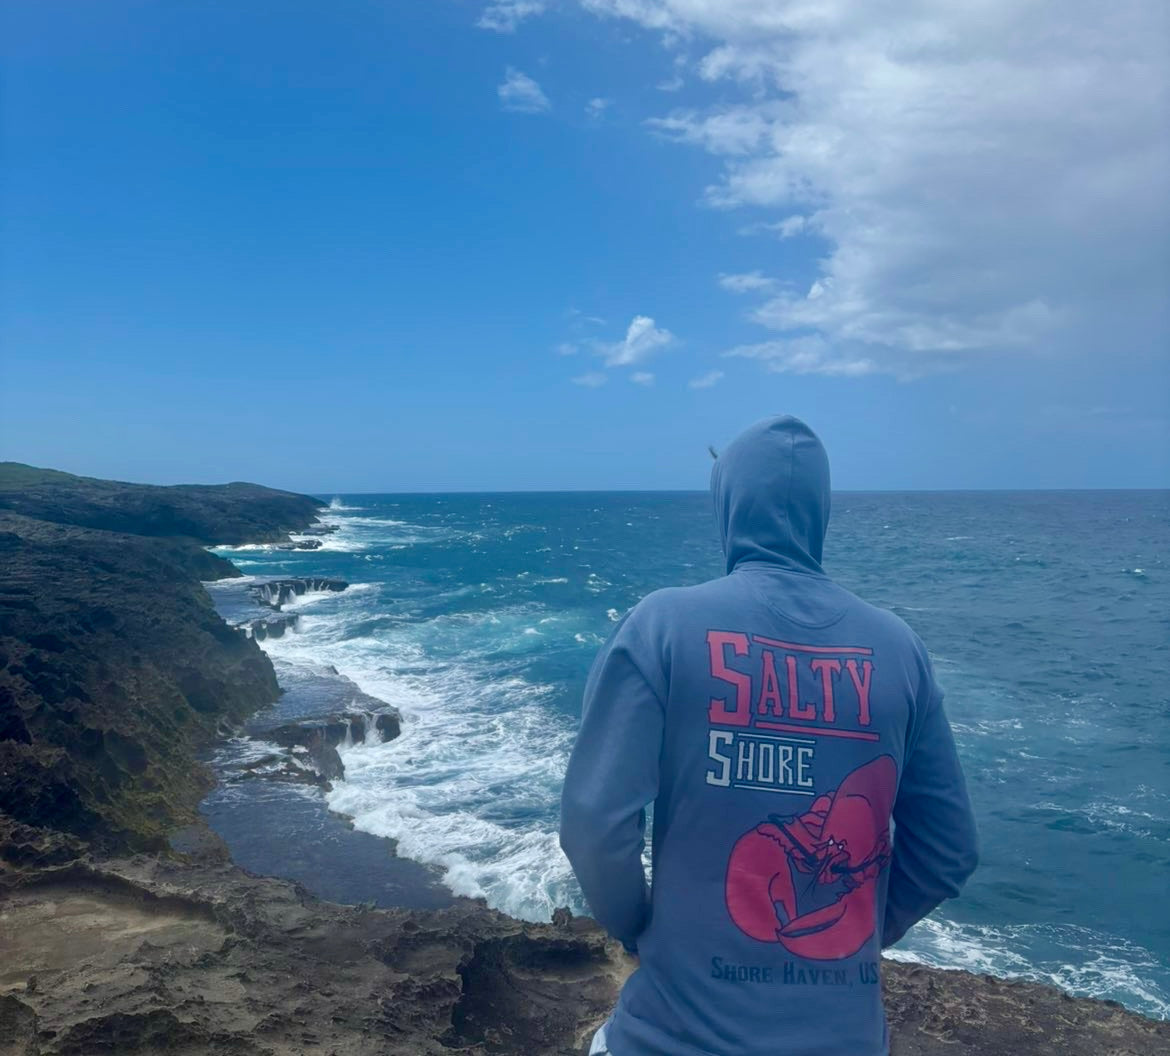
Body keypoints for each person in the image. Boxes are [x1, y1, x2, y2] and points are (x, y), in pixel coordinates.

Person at [560, 415, 979, 1056]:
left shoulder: (663, 626)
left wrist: (637, 927)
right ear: (821, 512)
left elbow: (594, 821)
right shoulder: (901, 649)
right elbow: (949, 850)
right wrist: (848, 941)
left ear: (728, 505)